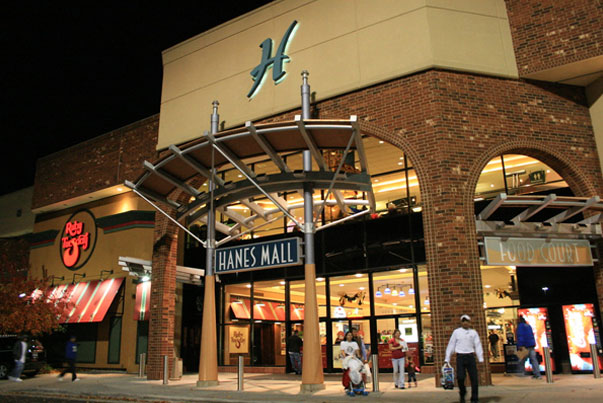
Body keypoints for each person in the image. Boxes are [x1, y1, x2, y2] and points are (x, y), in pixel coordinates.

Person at [445, 314, 484, 403]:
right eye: (463, 321)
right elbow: (451, 344)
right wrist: (447, 358)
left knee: (474, 378)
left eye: (467, 321)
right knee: (460, 377)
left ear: (469, 322)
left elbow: (477, 345)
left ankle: (474, 398)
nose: (465, 323)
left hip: (470, 356)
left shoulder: (473, 333)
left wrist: (480, 357)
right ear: (461, 322)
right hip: (460, 357)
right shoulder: (456, 332)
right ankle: (462, 393)